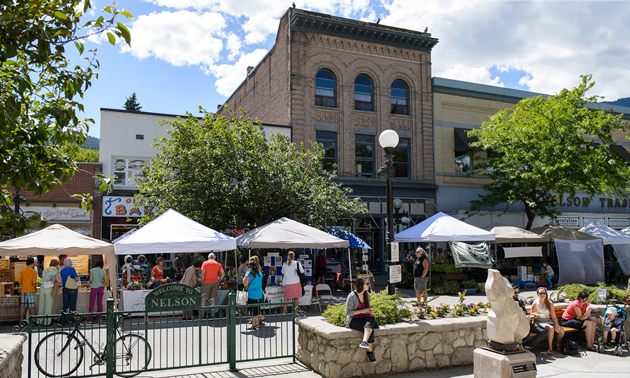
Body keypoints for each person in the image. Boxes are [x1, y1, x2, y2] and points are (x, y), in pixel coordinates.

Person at [345, 276, 378, 363]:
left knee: (371, 319)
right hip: (353, 319)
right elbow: (348, 312)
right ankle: (370, 352)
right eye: (367, 284)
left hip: (364, 317)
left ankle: (364, 342)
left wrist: (368, 312)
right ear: (361, 285)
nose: (368, 285)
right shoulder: (352, 296)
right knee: (370, 329)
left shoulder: (366, 294)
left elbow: (368, 308)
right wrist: (362, 311)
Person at [512, 284, 548, 350]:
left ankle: (529, 346)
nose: (517, 294)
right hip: (515, 324)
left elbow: (524, 312)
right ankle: (519, 348)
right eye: (515, 292)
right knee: (527, 336)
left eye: (518, 292)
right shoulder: (509, 302)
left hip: (525, 322)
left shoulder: (520, 301)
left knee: (544, 331)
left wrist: (520, 310)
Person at [531, 287, 565, 355]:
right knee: (551, 328)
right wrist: (535, 315)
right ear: (537, 294)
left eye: (544, 293)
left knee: (561, 330)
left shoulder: (549, 303)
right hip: (539, 322)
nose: (542, 295)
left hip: (547, 321)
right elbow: (532, 315)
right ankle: (550, 348)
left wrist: (557, 325)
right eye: (541, 293)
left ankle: (557, 343)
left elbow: (554, 316)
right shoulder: (535, 303)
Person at [243, 259, 264, 329]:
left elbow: (245, 284)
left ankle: (254, 325)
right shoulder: (260, 274)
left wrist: (243, 279)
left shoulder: (248, 274)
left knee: (253, 310)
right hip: (259, 293)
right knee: (257, 309)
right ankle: (257, 323)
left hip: (251, 294)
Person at [58, 258, 80, 326]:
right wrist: (78, 278)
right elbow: (76, 279)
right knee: (72, 305)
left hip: (65, 288)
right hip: (73, 288)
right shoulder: (72, 269)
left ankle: (62, 321)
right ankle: (70, 321)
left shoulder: (62, 270)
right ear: (70, 263)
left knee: (65, 305)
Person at [38, 259, 59, 325]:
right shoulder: (53, 270)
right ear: (56, 265)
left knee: (41, 305)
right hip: (49, 288)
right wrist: (55, 282)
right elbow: (53, 278)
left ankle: (39, 320)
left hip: (42, 288)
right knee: (48, 305)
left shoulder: (45, 270)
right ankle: (47, 322)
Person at [18, 257, 38, 323]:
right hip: (31, 290)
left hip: (23, 290)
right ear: (32, 264)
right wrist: (35, 288)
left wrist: (23, 285)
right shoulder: (34, 271)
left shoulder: (22, 271)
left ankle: (21, 320)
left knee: (23, 306)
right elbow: (34, 282)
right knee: (32, 306)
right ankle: (33, 320)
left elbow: (19, 282)